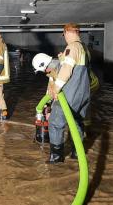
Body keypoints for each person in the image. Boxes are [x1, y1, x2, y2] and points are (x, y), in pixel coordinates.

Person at [32, 23, 90, 163]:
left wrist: (56, 89)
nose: (64, 38)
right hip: (83, 93)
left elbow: (66, 70)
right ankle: (77, 153)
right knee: (76, 121)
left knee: (55, 123)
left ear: (67, 33)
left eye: (64, 35)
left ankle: (57, 157)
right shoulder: (84, 49)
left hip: (71, 93)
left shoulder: (72, 47)